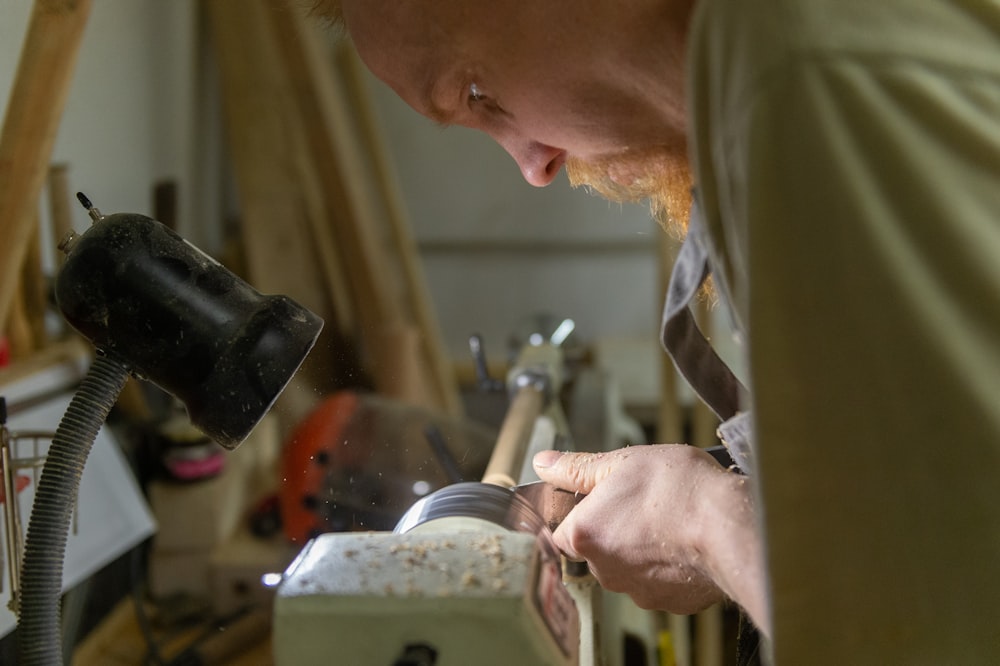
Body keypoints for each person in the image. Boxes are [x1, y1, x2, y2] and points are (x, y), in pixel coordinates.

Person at [312, 0, 1000, 662]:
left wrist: (709, 524)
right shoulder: (757, 79)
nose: (534, 166)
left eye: (477, 90)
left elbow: (936, 628)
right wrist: (730, 502)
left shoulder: (802, 78)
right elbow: (905, 489)